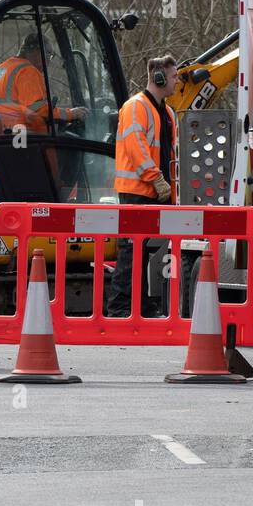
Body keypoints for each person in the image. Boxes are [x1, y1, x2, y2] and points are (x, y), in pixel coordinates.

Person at [107, 54, 178, 318]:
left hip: (156, 191)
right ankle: (120, 306)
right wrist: (155, 178)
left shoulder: (167, 112)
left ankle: (141, 303)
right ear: (158, 77)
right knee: (131, 249)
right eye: (173, 76)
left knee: (148, 251)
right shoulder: (136, 106)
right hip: (138, 190)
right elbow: (135, 145)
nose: (177, 81)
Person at [0, 32, 88, 135]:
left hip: (4, 133)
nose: (49, 62)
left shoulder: (1, 69)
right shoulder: (27, 71)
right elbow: (39, 110)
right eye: (49, 54)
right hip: (24, 138)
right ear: (38, 52)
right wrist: (70, 114)